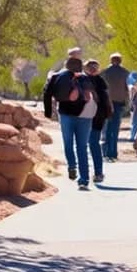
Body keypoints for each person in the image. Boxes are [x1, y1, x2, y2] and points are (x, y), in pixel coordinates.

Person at [43, 57, 99, 190]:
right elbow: (93, 96)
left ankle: (72, 166)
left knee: (68, 143)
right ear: (80, 67)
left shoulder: (57, 77)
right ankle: (83, 179)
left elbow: (47, 93)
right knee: (82, 147)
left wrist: (48, 112)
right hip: (84, 117)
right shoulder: (84, 78)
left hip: (66, 115)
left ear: (66, 66)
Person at [84, 59, 113, 184]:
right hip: (97, 117)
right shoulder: (101, 82)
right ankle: (98, 172)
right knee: (93, 143)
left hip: (87, 117)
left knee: (87, 144)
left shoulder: (82, 80)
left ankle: (90, 173)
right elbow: (106, 100)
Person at [99, 53, 130, 161]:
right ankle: (113, 152)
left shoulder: (104, 72)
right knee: (115, 128)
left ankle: (106, 152)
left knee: (106, 128)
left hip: (107, 102)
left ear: (111, 60)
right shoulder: (125, 72)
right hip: (119, 102)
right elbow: (126, 88)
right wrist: (127, 101)